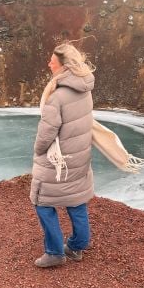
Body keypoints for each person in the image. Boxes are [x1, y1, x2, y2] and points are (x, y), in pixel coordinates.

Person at [30, 41, 95, 268]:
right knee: (76, 201)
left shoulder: (56, 97)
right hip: (78, 159)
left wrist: (38, 150)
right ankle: (77, 246)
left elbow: (47, 133)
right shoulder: (84, 90)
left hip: (57, 162)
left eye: (53, 61)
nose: (49, 63)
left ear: (64, 66)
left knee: (42, 203)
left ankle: (54, 252)